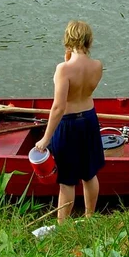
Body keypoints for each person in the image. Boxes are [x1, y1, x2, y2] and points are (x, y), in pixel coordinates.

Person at [34, 20, 104, 224]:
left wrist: (46, 139)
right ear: (89, 40)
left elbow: (59, 107)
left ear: (68, 39)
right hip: (89, 119)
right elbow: (84, 88)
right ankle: (90, 217)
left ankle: (62, 226)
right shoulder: (97, 66)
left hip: (69, 125)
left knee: (67, 180)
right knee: (89, 174)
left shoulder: (63, 69)